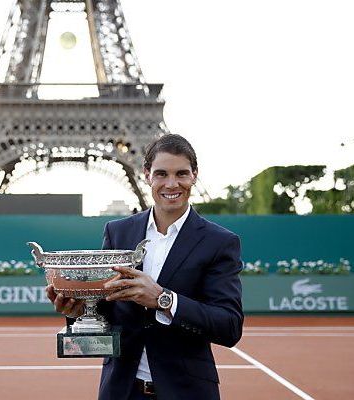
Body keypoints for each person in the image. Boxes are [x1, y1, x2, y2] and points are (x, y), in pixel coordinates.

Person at [46, 134, 244, 399]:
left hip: (186, 391)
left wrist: (163, 299)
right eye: (161, 174)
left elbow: (229, 327)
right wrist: (79, 309)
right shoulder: (118, 232)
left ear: (194, 175)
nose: (171, 184)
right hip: (122, 389)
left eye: (181, 174)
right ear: (147, 174)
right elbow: (105, 305)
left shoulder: (220, 242)